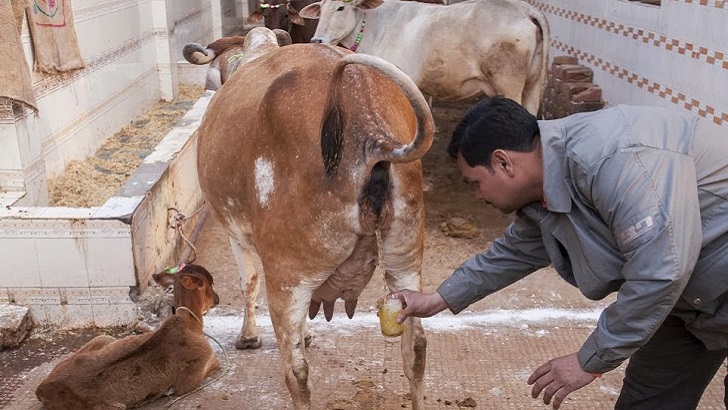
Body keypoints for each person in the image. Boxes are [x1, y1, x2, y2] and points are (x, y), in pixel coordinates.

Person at [392, 96, 728, 410]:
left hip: (700, 283)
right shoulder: (547, 189)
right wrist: (439, 298)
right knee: (648, 401)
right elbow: (512, 252)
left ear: (503, 162)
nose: (478, 196)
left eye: (474, 182)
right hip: (688, 304)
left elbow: (661, 270)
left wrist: (588, 360)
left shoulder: (613, 157)